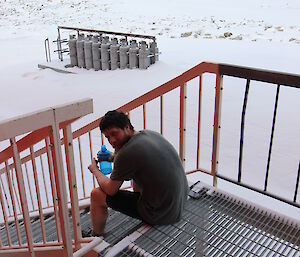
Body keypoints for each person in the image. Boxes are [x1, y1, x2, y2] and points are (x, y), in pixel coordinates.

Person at [88, 110, 188, 235]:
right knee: (138, 173)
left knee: (96, 195)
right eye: (107, 137)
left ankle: (96, 235)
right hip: (180, 202)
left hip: (161, 213)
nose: (112, 140)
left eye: (114, 133)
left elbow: (110, 190)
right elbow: (132, 157)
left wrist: (95, 170)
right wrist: (112, 158)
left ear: (127, 127)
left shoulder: (126, 154)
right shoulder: (149, 134)